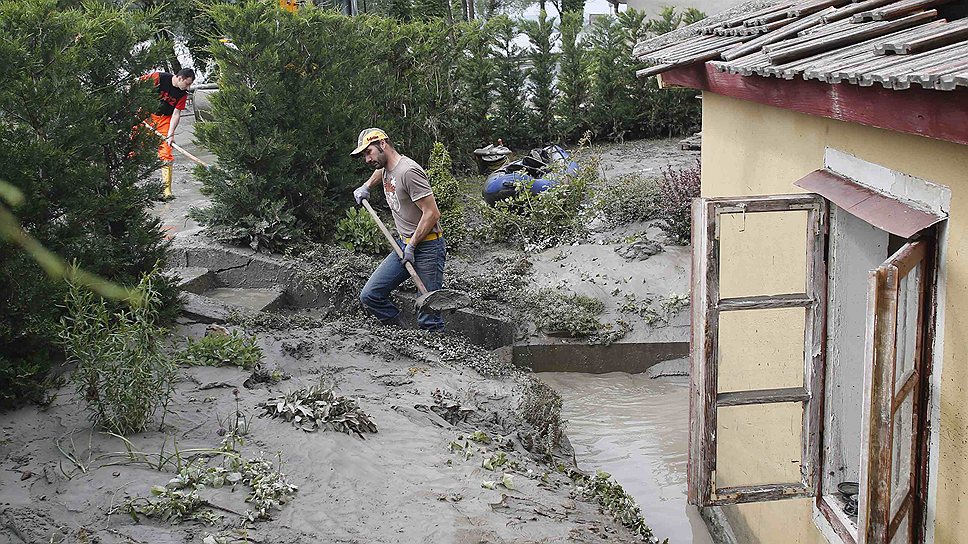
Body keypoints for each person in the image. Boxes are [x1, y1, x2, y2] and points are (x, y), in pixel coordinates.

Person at [351, 128, 446, 331]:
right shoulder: (386, 166)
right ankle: (402, 334)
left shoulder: (409, 172)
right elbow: (381, 171)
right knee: (370, 295)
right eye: (364, 155)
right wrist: (366, 186)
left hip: (428, 247)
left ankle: (437, 356)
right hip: (402, 245)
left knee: (429, 316)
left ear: (382, 144)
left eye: (369, 152)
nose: (367, 159)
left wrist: (412, 246)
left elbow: (432, 213)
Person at [142, 68, 195, 198]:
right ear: (180, 78)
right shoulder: (158, 78)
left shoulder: (183, 94)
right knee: (134, 148)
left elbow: (176, 114)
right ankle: (127, 186)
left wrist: (170, 134)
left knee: (166, 152)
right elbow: (138, 88)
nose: (188, 87)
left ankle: (167, 191)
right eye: (187, 83)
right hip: (146, 115)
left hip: (165, 119)